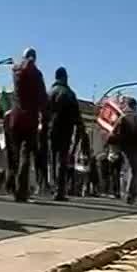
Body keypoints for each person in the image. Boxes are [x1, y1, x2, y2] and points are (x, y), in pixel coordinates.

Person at [8, 47, 48, 202]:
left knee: (15, 154)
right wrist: (44, 117)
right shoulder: (37, 75)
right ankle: (21, 191)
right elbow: (42, 99)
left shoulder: (16, 72)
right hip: (30, 120)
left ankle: (11, 186)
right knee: (25, 156)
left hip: (15, 117)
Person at [47, 67, 83, 201]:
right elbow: (77, 116)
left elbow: (44, 112)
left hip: (52, 129)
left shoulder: (50, 92)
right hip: (66, 130)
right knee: (62, 160)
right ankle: (59, 190)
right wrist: (79, 129)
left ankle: (52, 186)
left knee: (52, 159)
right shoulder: (70, 93)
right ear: (64, 77)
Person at [108, 97, 137, 204]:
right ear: (133, 105)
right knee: (133, 171)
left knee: (126, 170)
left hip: (125, 147)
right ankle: (130, 194)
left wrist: (115, 146)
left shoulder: (122, 117)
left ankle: (125, 192)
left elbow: (115, 132)